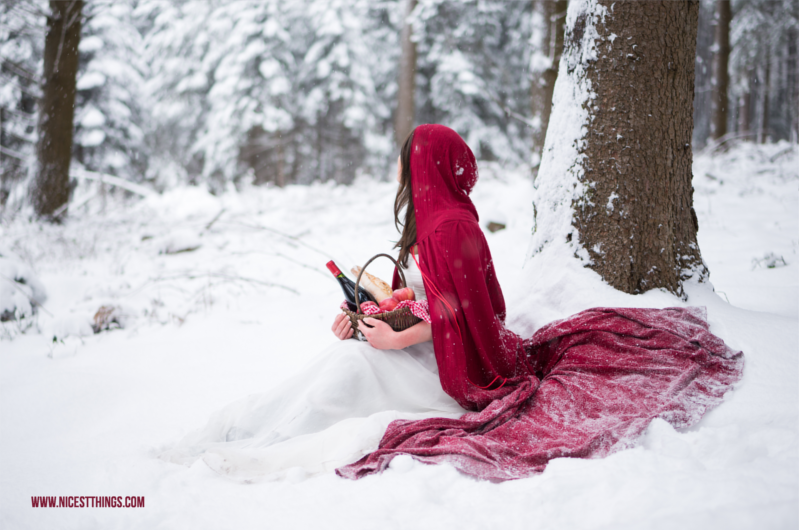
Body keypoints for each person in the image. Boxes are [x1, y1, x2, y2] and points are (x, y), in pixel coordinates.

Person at [163, 125, 743, 482]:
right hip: (427, 345)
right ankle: (244, 429)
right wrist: (372, 311)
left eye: (406, 157)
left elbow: (466, 312)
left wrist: (393, 337)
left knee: (351, 368)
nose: (398, 167)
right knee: (342, 358)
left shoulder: (448, 227)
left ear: (424, 166)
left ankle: (265, 447)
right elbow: (425, 294)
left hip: (455, 367)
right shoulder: (436, 224)